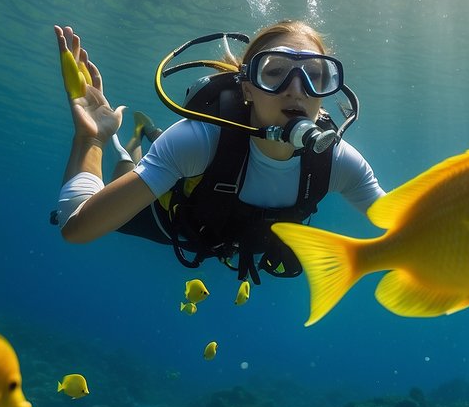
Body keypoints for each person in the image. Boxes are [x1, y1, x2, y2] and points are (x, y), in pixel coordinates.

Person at [53, 20, 384, 282]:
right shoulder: (199, 139)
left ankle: (144, 141)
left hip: (228, 233)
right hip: (170, 221)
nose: (296, 90)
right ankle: (129, 146)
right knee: (119, 186)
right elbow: (76, 226)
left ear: (325, 93)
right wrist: (90, 139)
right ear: (249, 88)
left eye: (314, 76)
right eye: (275, 73)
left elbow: (401, 224)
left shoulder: (337, 161)